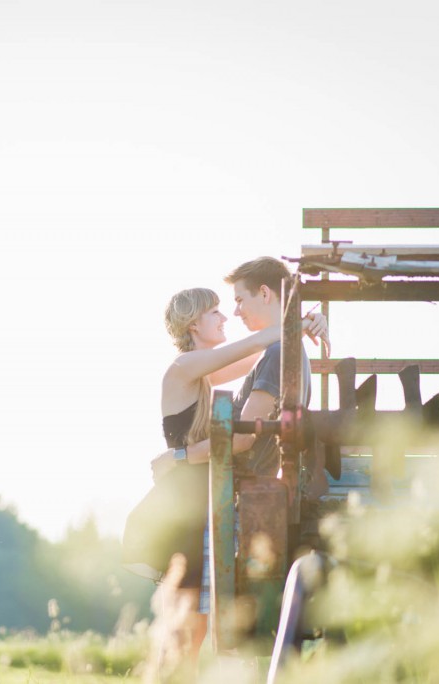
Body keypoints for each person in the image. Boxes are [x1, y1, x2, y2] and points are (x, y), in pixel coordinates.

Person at [122, 278, 327, 670]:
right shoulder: (184, 367)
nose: (225, 317)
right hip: (186, 510)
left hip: (202, 505)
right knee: (186, 630)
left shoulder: (205, 375)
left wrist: (309, 322)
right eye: (215, 312)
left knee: (196, 630)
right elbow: (255, 345)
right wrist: (296, 321)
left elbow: (269, 350)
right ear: (194, 325)